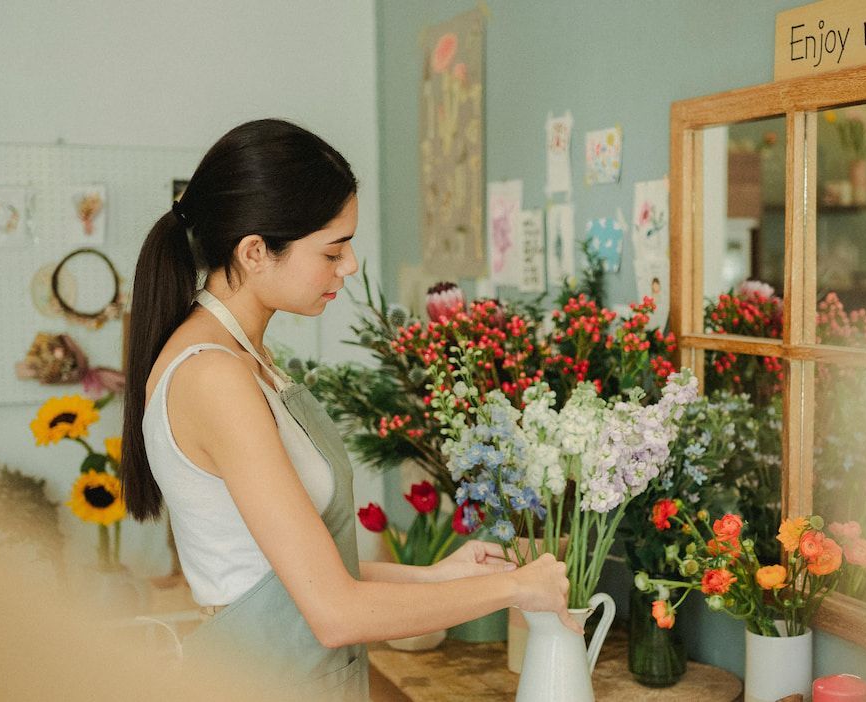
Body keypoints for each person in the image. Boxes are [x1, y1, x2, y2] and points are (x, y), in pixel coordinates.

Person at [120, 119, 575, 701]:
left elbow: (299, 574)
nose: (351, 265)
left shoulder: (248, 358)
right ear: (255, 252)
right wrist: (518, 589)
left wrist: (435, 577)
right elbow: (335, 611)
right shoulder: (214, 376)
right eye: (333, 249)